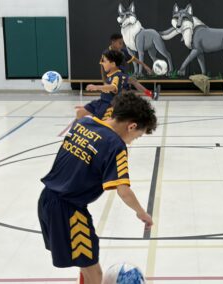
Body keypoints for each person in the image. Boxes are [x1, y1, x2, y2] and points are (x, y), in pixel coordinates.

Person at [38, 92, 157, 284]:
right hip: (69, 211)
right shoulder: (116, 146)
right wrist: (142, 213)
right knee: (95, 273)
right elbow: (124, 191)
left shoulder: (84, 123)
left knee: (86, 264)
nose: (134, 140)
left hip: (46, 199)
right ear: (132, 126)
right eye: (137, 135)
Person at [75, 50, 126, 120]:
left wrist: (96, 87)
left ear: (113, 64)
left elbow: (113, 87)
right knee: (80, 112)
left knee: (99, 125)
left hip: (108, 106)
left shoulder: (118, 76)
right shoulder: (110, 75)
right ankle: (74, 130)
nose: (102, 63)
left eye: (104, 61)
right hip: (100, 102)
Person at [107, 33, 159, 100]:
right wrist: (105, 82)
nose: (122, 45)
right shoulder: (107, 53)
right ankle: (151, 94)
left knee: (129, 93)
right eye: (120, 43)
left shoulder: (123, 51)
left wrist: (145, 66)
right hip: (113, 78)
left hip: (121, 77)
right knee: (133, 81)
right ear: (113, 42)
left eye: (122, 43)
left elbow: (133, 59)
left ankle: (151, 95)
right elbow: (102, 68)